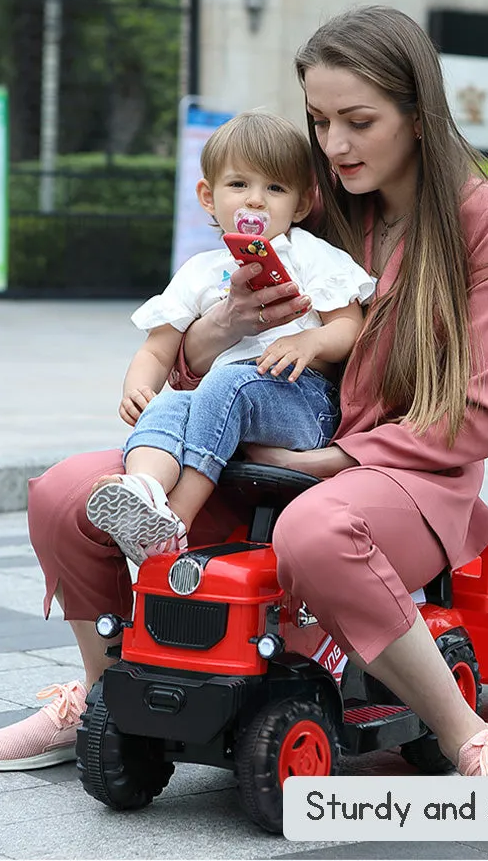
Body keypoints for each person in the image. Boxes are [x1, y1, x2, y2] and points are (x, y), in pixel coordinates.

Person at [0, 5, 488, 789]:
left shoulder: (487, 222)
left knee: (315, 531)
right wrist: (214, 329)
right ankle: (107, 701)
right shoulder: (313, 203)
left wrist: (325, 459)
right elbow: (205, 368)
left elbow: (473, 416)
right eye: (319, 121)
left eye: (358, 121)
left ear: (418, 112)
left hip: (402, 476)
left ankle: (469, 737)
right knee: (65, 492)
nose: (335, 146)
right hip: (253, 452)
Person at [83, 110, 375, 567]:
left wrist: (309, 344)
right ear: (208, 195)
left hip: (301, 402)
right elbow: (159, 346)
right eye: (239, 185)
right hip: (222, 404)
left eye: (275, 189)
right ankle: (143, 492)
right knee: (169, 404)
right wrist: (137, 386)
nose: (256, 201)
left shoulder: (310, 255)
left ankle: (178, 517)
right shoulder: (199, 270)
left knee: (222, 385)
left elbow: (349, 325)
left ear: (300, 204)